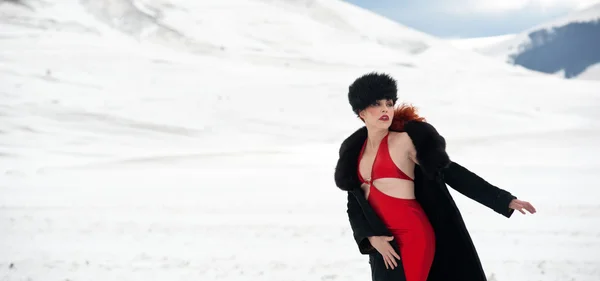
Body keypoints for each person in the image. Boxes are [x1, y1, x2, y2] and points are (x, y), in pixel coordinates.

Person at [334, 72, 537, 281]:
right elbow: (355, 205)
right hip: (383, 243)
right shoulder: (354, 152)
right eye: (377, 103)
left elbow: (451, 172)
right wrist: (370, 238)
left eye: (389, 102)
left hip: (414, 235)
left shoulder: (404, 141)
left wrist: (503, 199)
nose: (386, 108)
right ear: (361, 112)